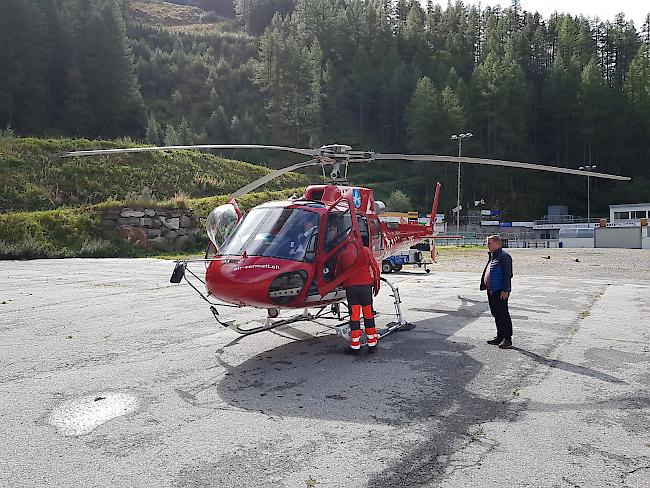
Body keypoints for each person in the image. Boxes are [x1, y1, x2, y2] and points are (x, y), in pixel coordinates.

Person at [343, 245, 381, 354]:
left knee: (354, 316)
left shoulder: (344, 251)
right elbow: (375, 268)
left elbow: (338, 271)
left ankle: (355, 345)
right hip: (365, 287)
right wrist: (377, 285)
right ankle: (372, 343)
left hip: (351, 288)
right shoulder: (365, 250)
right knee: (368, 314)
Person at [480, 235, 514, 349]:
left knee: (503, 314)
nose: (487, 245)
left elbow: (507, 275)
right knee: (496, 314)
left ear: (497, 243)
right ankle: (500, 336)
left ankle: (507, 339)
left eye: (489, 243)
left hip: (500, 291)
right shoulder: (493, 256)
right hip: (492, 290)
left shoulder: (504, 257)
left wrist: (505, 290)